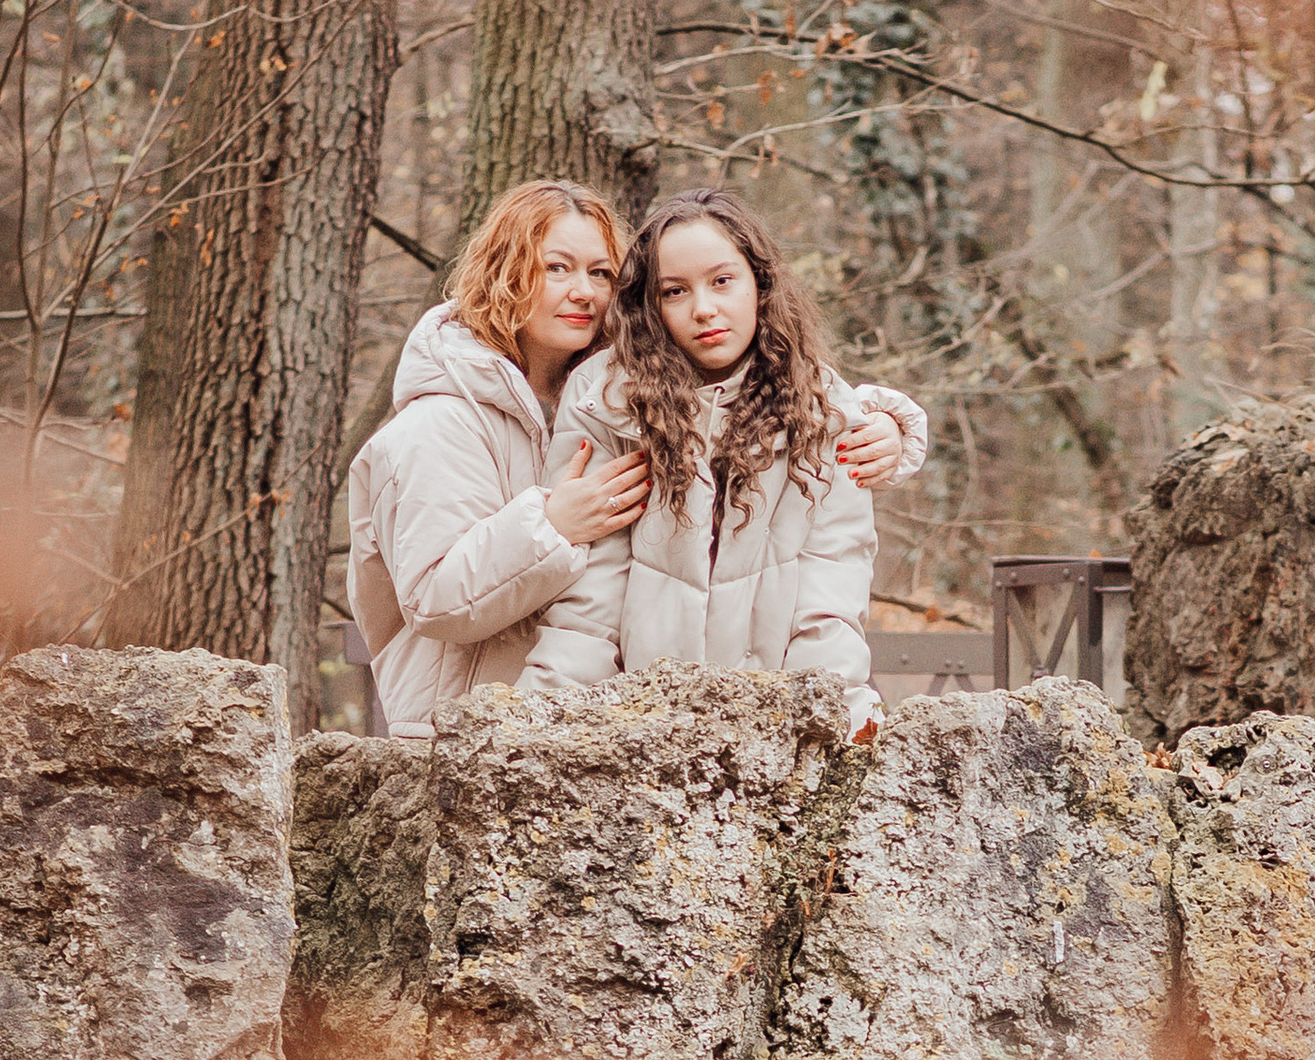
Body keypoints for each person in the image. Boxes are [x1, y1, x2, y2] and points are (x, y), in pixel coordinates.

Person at [348, 176, 923, 738]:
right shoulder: (445, 423)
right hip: (454, 732)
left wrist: (881, 420)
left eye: (601, 272)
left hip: (633, 733)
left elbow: (832, 581)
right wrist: (553, 526)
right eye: (556, 267)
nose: (585, 291)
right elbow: (444, 600)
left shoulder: (598, 394)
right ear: (503, 274)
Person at [522, 184, 903, 719]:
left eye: (723, 282)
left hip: (778, 725)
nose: (704, 309)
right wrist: (545, 722)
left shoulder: (825, 412)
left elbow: (831, 601)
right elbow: (589, 604)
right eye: (675, 292)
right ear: (650, 307)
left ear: (759, 285)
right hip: (641, 726)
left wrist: (820, 726)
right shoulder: (607, 403)